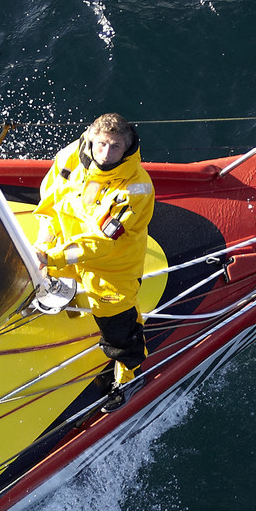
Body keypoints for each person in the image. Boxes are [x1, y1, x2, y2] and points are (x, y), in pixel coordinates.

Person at [35, 112, 155, 384]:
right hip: (65, 250)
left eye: (115, 146)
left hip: (111, 270)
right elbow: (51, 199)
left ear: (128, 147)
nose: (106, 152)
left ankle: (129, 376)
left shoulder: (135, 191)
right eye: (101, 143)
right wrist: (45, 241)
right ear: (90, 139)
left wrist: (50, 257)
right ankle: (72, 305)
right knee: (61, 286)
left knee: (119, 331)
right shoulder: (70, 156)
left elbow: (102, 244)